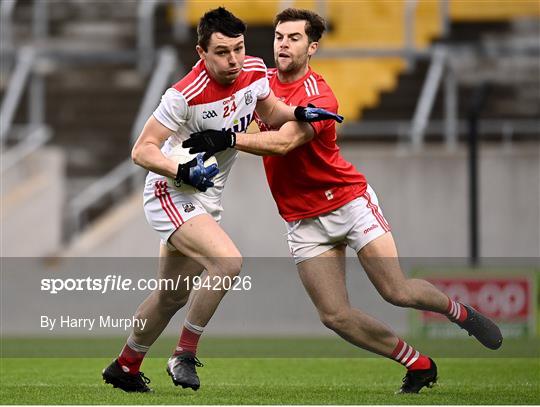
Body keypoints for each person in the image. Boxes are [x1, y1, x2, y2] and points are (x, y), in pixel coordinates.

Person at [183, 8, 503, 394]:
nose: (283, 44)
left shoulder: (320, 95)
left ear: (313, 46)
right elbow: (216, 99)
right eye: (279, 36)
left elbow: (285, 142)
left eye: (294, 38)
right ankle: (418, 364)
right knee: (334, 315)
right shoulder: (258, 84)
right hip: (302, 219)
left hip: (348, 203)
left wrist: (228, 139)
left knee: (396, 291)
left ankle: (461, 314)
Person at [101, 7, 342, 393]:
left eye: (239, 48)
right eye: (222, 52)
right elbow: (141, 151)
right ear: (202, 52)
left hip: (204, 197)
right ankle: (184, 354)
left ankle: (125, 366)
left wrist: (298, 111)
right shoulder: (183, 95)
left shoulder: (253, 70)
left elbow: (271, 110)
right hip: (171, 192)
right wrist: (181, 172)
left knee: (171, 295)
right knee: (228, 261)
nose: (233, 60)